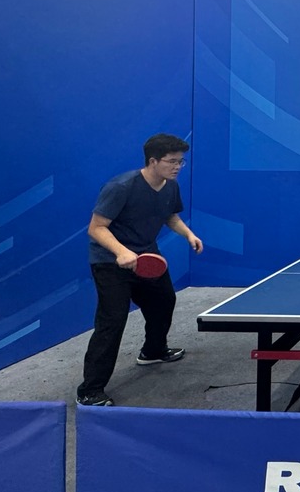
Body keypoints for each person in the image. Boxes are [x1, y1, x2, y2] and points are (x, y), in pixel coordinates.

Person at [76, 133, 204, 406]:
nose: (178, 166)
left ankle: (153, 351)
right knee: (112, 321)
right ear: (153, 161)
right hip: (111, 262)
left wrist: (188, 235)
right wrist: (121, 251)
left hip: (147, 256)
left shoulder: (170, 186)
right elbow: (96, 228)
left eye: (181, 161)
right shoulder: (121, 187)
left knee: (164, 301)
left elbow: (170, 215)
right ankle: (90, 390)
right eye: (172, 161)